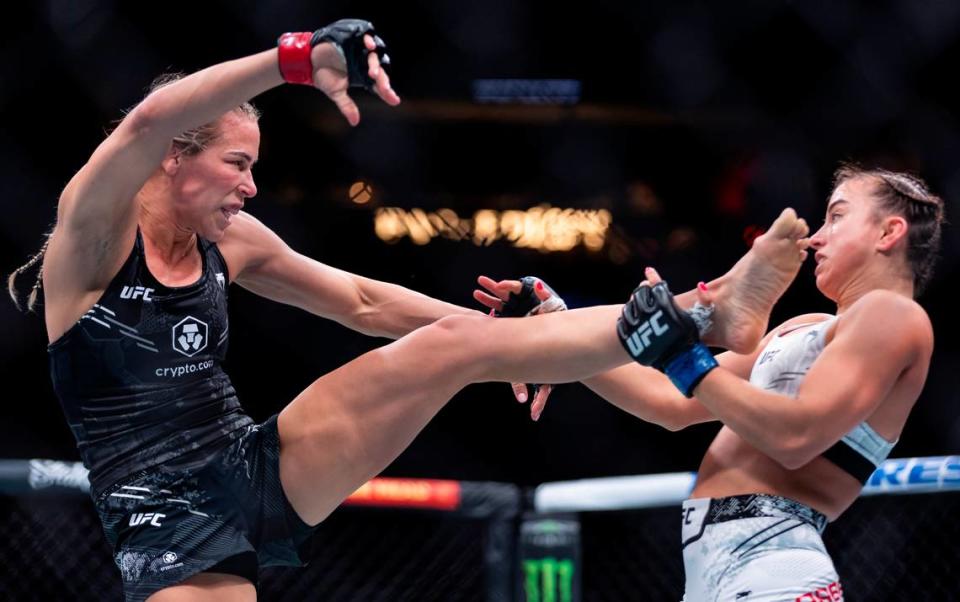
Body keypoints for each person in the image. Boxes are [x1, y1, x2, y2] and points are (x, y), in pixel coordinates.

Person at [7, 17, 810, 602]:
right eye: (236, 164)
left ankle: (702, 311)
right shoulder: (94, 239)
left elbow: (363, 301)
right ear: (176, 158)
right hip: (160, 519)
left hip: (258, 463)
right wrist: (295, 59)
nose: (251, 187)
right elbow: (150, 117)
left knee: (453, 345)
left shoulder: (235, 239)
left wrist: (513, 342)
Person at [479, 166, 943, 600]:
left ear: (889, 232)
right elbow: (670, 403)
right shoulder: (805, 327)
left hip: (774, 562)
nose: (817, 238)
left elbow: (796, 436)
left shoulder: (895, 315)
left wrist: (679, 352)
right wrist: (558, 334)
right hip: (715, 566)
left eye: (837, 217)